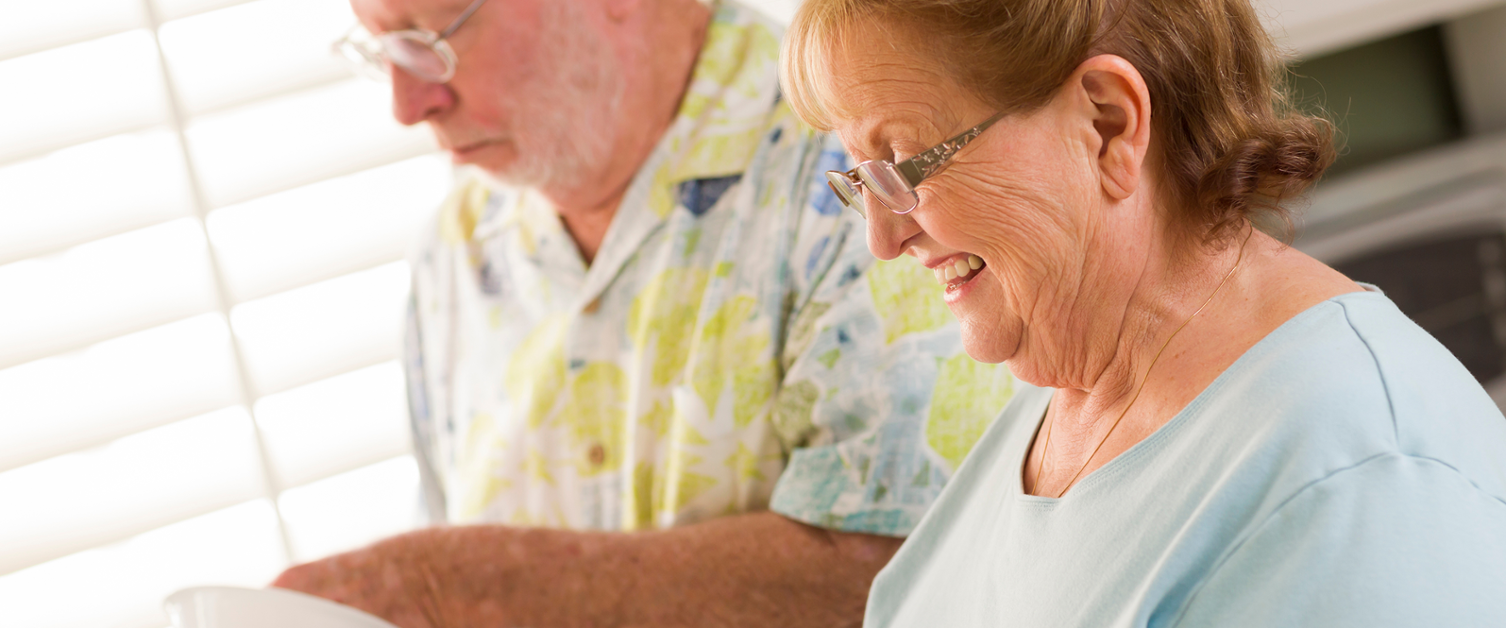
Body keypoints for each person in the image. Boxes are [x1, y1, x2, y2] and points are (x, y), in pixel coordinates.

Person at [271, 0, 1016, 625]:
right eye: (381, 51)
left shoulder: (862, 175)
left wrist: (468, 586)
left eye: (432, 39)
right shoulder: (454, 250)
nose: (407, 104)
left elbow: (915, 577)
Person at [778, 0, 1506, 626]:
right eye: (858, 179)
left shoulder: (1362, 481)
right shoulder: (1057, 401)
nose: (882, 237)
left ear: (1107, 123)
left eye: (902, 165)